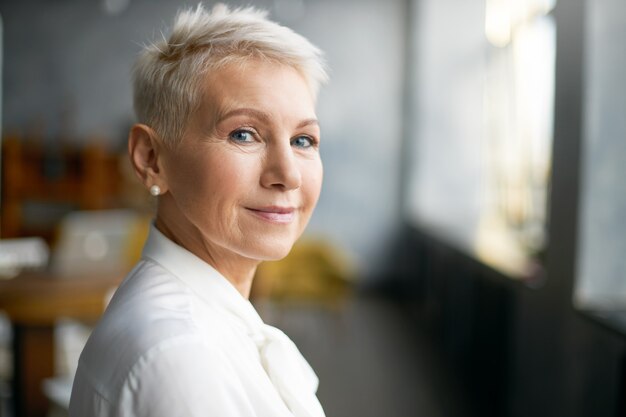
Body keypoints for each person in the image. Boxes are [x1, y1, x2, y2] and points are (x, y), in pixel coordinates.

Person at [68, 3, 328, 416]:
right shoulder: (181, 356)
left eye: (303, 141)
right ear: (151, 158)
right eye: (244, 134)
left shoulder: (197, 326)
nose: (288, 175)